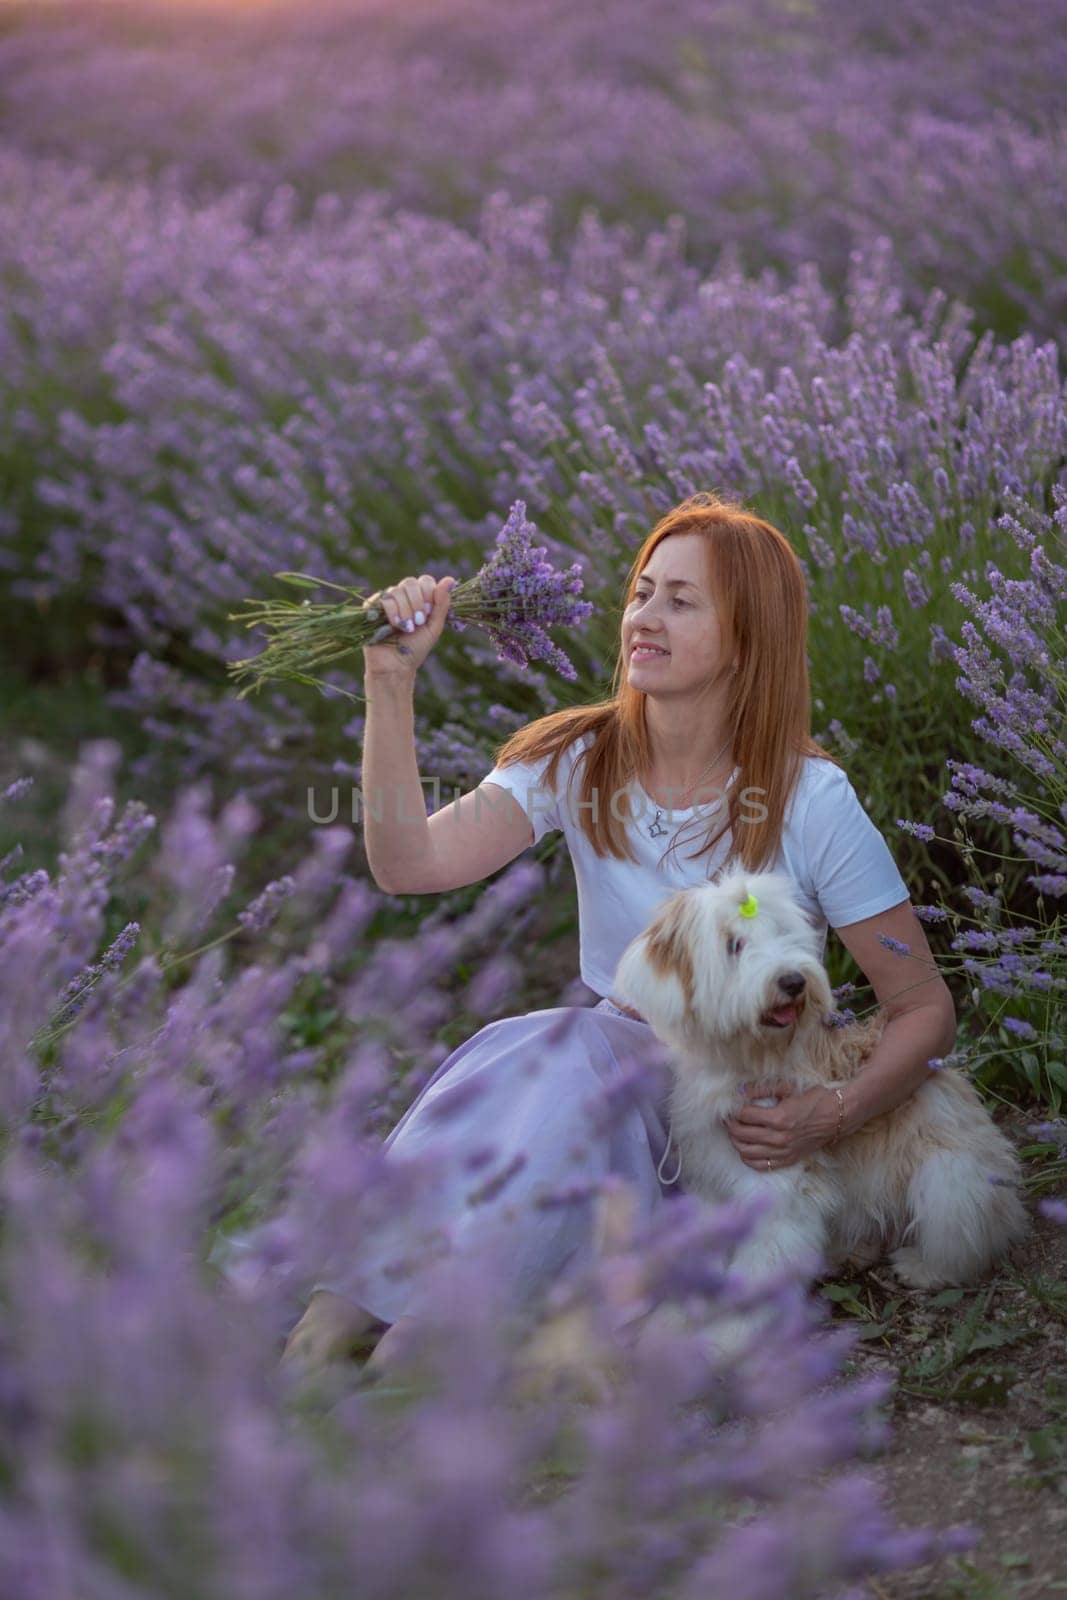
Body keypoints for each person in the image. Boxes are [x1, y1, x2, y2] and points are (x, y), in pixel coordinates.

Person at [281, 493, 957, 1377]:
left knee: (561, 1058)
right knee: (546, 1052)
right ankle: (347, 1313)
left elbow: (921, 1007)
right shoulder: (575, 757)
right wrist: (389, 684)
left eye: (682, 601)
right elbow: (410, 865)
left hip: (725, 1109)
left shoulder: (810, 798)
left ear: (747, 636)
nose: (644, 617)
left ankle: (418, 1339)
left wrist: (825, 1117)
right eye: (641, 593)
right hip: (602, 1065)